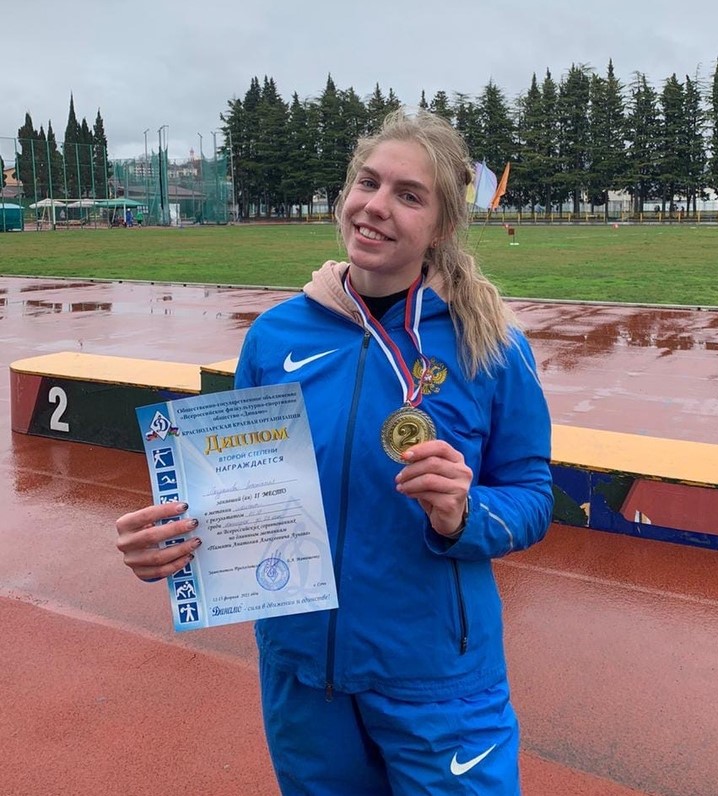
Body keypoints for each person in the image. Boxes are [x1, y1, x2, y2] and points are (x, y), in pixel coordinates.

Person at [115, 109, 554, 795]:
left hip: (439, 684)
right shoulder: (275, 336)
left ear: (441, 226)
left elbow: (532, 495)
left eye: (408, 195)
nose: (376, 206)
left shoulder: (491, 345)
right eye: (367, 183)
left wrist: (464, 513)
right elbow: (238, 497)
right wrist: (171, 544)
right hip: (302, 676)